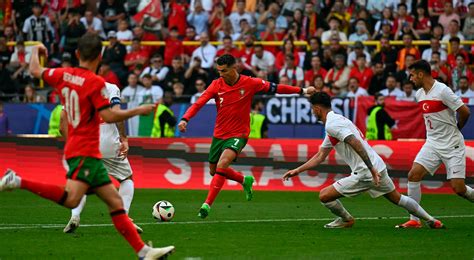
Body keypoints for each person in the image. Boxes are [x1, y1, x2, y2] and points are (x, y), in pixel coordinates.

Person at [0, 33, 175, 259]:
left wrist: (36, 50)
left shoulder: (63, 74)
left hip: (79, 148)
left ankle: (144, 252)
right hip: (85, 149)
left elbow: (35, 71)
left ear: (77, 54)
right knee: (75, 197)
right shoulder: (95, 84)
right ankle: (17, 180)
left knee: (112, 201)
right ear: (99, 56)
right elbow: (110, 115)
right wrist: (138, 110)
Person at [178, 54, 316, 218]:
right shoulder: (216, 85)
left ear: (234, 67)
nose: (220, 74)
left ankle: (206, 205)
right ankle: (245, 181)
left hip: (239, 134)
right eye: (219, 71)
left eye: (224, 71)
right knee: (214, 171)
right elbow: (199, 103)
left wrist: (303, 90)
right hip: (219, 134)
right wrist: (185, 119)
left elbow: (277, 88)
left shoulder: (251, 83)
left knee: (222, 164)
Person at [282, 92, 444, 229]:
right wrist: (298, 170)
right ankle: (431, 220)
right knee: (397, 198)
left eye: (312, 109)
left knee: (324, 196)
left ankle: (346, 219)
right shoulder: (337, 121)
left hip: (366, 172)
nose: (312, 112)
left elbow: (355, 143)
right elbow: (320, 156)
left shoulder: (332, 125)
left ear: (317, 108)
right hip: (377, 166)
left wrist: (370, 169)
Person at [397, 60, 472, 228]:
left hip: (452, 144)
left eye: (413, 74)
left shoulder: (443, 91)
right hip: (432, 143)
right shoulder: (419, 94)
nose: (411, 78)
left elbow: (465, 111)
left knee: (459, 188)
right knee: (413, 175)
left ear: (421, 74)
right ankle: (414, 220)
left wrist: (457, 128)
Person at [63, 82, 143, 234]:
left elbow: (62, 125)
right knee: (126, 178)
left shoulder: (73, 89)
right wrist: (124, 138)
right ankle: (123, 217)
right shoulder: (111, 88)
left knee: (81, 182)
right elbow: (116, 113)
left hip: (86, 142)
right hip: (108, 142)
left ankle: (75, 216)